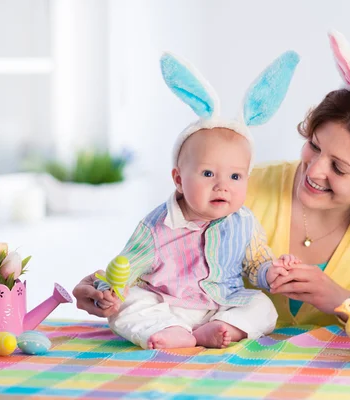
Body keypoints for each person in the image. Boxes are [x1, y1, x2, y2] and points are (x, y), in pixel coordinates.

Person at [74, 31, 350, 330]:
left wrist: (342, 301)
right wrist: (105, 284)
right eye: (313, 146)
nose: (314, 170)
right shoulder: (240, 189)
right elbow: (166, 251)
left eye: (339, 168)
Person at [90, 50, 301, 350]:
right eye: (207, 173)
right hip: (166, 304)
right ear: (178, 178)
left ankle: (223, 328)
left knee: (263, 306)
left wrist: (271, 272)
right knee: (130, 304)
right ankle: (170, 332)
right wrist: (110, 289)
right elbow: (128, 266)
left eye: (235, 177)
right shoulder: (157, 226)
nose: (222, 186)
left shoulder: (243, 222)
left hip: (221, 305)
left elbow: (256, 263)